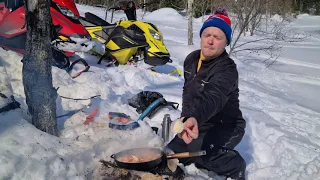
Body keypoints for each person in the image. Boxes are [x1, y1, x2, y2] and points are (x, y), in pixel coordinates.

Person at [166, 8, 246, 180]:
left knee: (203, 155)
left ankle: (235, 165)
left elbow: (213, 98)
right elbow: (188, 91)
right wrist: (187, 119)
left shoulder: (227, 69)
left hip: (227, 126)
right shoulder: (191, 59)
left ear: (226, 42)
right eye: (207, 35)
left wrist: (195, 117)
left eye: (217, 37)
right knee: (171, 153)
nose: (210, 41)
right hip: (200, 121)